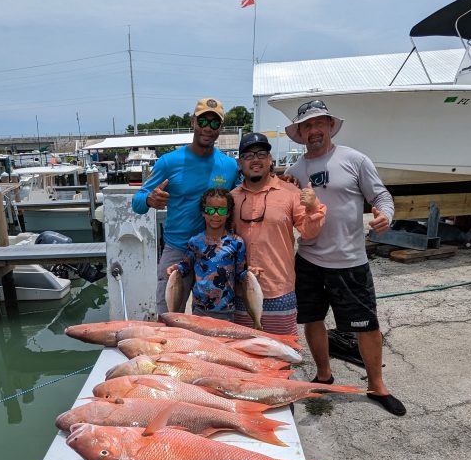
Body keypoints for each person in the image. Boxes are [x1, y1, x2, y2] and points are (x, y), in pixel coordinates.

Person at [284, 99, 406, 416]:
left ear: (329, 126)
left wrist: (386, 215)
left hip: (350, 261)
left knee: (368, 327)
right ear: (300, 132)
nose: (313, 130)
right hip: (308, 260)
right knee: (312, 321)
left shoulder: (355, 159)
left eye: (318, 123)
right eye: (307, 125)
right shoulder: (293, 173)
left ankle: (377, 385)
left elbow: (380, 196)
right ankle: (323, 374)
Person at [132, 98, 239, 316]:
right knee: (168, 319)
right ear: (193, 122)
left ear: (221, 128)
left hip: (214, 254)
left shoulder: (229, 166)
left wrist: (283, 181)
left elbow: (247, 195)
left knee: (211, 323)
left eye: (215, 123)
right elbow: (137, 202)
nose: (208, 128)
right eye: (203, 121)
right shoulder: (169, 162)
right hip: (177, 250)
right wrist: (149, 200)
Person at [231, 132, 326, 335]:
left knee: (281, 354)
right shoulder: (232, 198)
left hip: (280, 290)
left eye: (261, 154)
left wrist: (312, 207)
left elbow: (309, 232)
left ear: (270, 159)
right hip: (241, 291)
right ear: (240, 163)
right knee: (245, 353)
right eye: (248, 156)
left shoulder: (290, 192)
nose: (255, 159)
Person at [166, 188, 247, 319]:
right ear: (203, 212)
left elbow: (240, 274)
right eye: (210, 210)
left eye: (221, 210)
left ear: (228, 213)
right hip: (199, 310)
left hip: (227, 311)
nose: (215, 215)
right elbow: (185, 267)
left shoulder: (237, 242)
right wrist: (176, 269)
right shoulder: (195, 242)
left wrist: (251, 274)